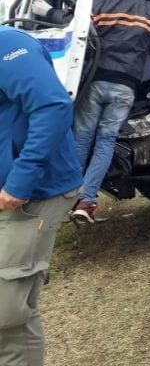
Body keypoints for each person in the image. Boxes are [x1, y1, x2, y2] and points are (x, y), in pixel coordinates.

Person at [32, 0, 150, 223]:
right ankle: (87, 201)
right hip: (125, 87)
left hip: (97, 83)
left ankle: (68, 197)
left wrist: (49, 11)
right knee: (106, 141)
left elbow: (71, 25)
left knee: (83, 138)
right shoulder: (149, 9)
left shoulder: (98, 5)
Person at [0, 25, 82, 366]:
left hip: (31, 196)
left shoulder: (8, 45)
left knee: (7, 316)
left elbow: (52, 107)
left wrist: (19, 182)